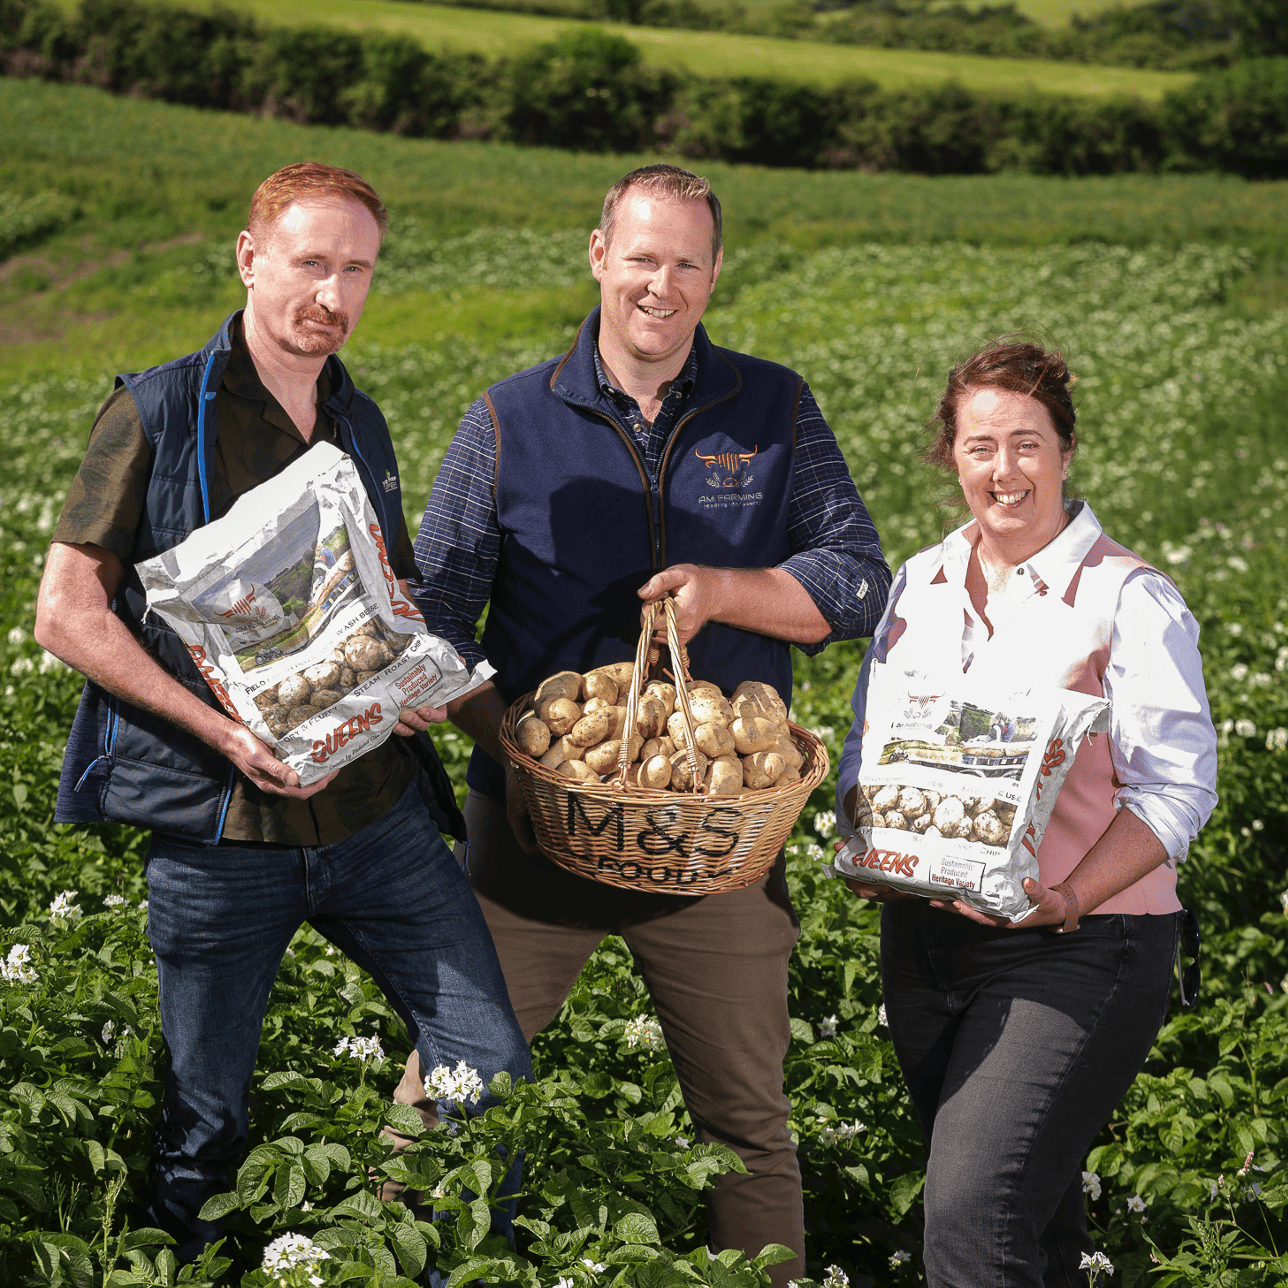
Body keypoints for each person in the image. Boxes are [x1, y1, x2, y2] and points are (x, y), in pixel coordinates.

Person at [392, 164, 890, 1281]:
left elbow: (859, 581)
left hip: (718, 849)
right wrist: (513, 742)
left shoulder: (774, 408)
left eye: (683, 262)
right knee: (451, 1104)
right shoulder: (507, 419)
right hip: (529, 840)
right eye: (639, 256)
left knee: (748, 1131)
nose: (657, 284)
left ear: (714, 274)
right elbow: (431, 618)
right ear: (597, 255)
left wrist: (724, 590)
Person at [34, 163, 531, 1261]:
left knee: (487, 1063)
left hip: (373, 818)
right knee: (204, 1126)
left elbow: (376, 599)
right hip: (220, 834)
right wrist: (223, 733)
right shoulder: (160, 409)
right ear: (252, 258)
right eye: (312, 263)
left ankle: (430, 1265)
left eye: (357, 270)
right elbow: (67, 615)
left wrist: (405, 686)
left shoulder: (361, 418)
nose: (334, 294)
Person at [834, 339, 1217, 1287]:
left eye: (1026, 445)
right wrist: (866, 836)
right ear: (950, 456)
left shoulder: (1127, 598)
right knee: (1031, 1225)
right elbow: (869, 739)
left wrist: (1072, 895)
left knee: (971, 1220)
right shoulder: (917, 584)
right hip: (923, 940)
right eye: (979, 447)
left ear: (1064, 451)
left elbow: (1176, 785)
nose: (1003, 472)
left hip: (1080, 945)